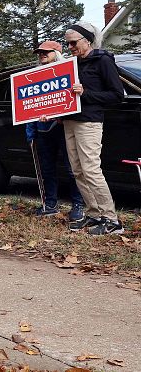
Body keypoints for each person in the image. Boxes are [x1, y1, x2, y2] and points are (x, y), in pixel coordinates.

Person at [62, 22, 124, 235]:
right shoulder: (72, 64)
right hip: (69, 122)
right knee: (77, 171)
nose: (70, 47)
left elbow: (117, 95)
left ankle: (111, 219)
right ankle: (94, 214)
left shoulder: (103, 61)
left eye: (73, 43)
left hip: (90, 122)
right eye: (68, 43)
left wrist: (85, 93)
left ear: (87, 40)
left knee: (91, 170)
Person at [25, 41, 84, 222]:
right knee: (47, 170)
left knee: (72, 168)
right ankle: (50, 204)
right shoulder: (33, 77)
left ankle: (78, 204)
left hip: (64, 127)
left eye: (46, 52)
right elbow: (28, 108)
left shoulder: (69, 73)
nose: (42, 55)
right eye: (39, 53)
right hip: (43, 131)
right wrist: (30, 132)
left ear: (56, 53)